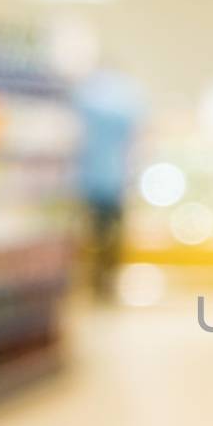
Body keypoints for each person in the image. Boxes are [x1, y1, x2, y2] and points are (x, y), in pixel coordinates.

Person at [72, 66, 145, 301]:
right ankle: (106, 284)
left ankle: (94, 283)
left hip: (89, 180)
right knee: (111, 237)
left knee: (92, 235)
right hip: (114, 180)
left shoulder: (86, 98)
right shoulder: (126, 102)